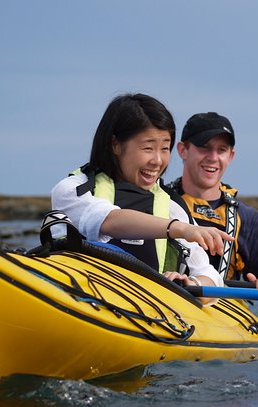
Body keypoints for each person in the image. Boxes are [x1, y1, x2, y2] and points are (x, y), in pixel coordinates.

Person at [51, 93, 231, 299]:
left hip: (147, 312)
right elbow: (109, 220)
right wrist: (178, 228)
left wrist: (189, 283)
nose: (157, 160)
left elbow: (210, 275)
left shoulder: (172, 207)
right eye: (148, 148)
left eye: (165, 148)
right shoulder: (74, 189)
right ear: (115, 144)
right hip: (81, 297)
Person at [168, 112, 258, 314]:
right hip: (168, 305)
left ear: (230, 156)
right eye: (204, 148)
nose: (213, 158)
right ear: (183, 150)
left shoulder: (248, 218)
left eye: (221, 150)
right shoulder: (159, 202)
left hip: (222, 317)